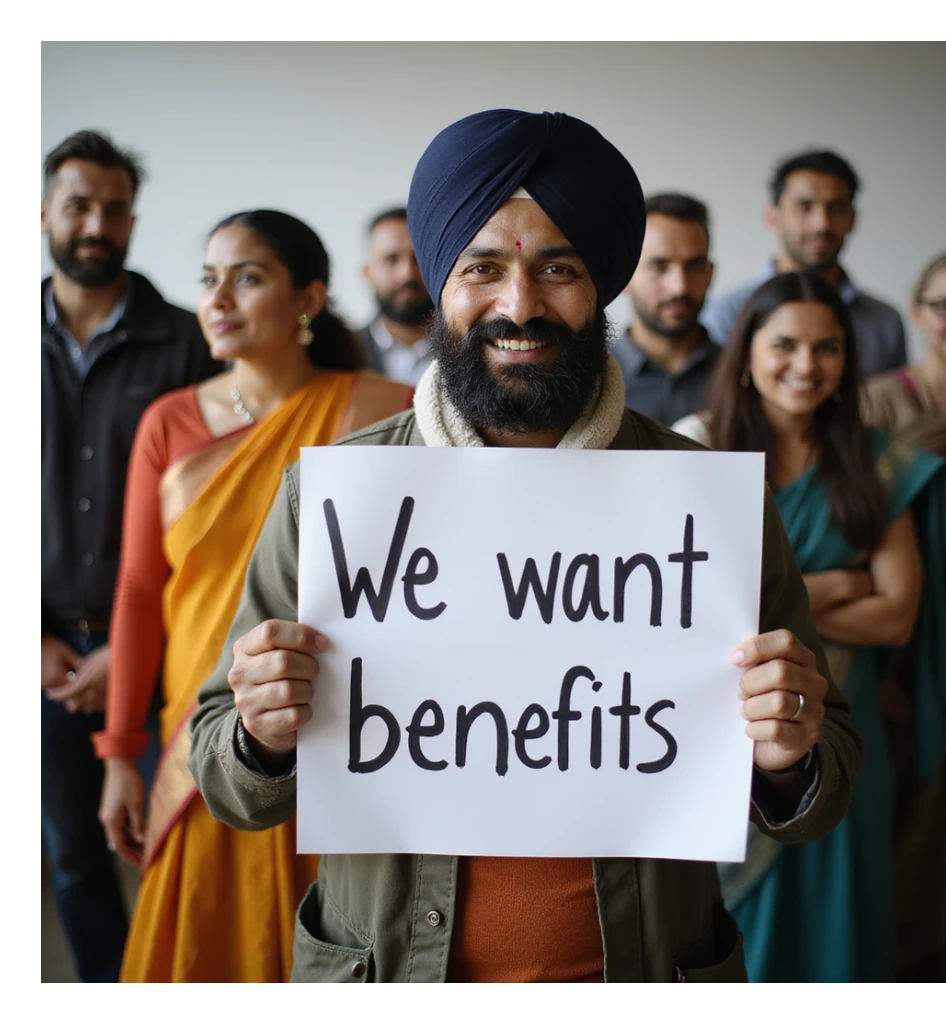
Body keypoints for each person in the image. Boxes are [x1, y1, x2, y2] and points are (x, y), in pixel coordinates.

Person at [188, 108, 864, 984]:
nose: (519, 305)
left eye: (558, 268)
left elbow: (824, 791)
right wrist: (258, 737)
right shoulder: (333, 498)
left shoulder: (707, 503)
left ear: (602, 288)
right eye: (482, 268)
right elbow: (222, 774)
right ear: (440, 282)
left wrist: (789, 755)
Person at [91, 210, 414, 982]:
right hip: (206, 733)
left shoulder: (387, 408)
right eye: (208, 280)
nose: (218, 298)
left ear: (309, 298)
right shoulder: (169, 423)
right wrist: (118, 755)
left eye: (247, 277)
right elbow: (139, 592)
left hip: (344, 723)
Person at [673, 271, 946, 982]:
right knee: (735, 939)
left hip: (838, 732)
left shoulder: (872, 456)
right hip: (735, 733)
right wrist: (840, 583)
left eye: (828, 348)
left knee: (838, 941)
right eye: (786, 345)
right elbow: (691, 611)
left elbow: (896, 615)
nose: (807, 366)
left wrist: (774, 598)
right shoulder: (697, 447)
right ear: (744, 355)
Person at [41, 128, 222, 983]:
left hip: (156, 654)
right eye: (79, 206)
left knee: (171, 846)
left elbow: (217, 519)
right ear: (45, 213)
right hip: (38, 659)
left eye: (115, 210)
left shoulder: (189, 343)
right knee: (73, 856)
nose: (96, 225)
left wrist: (124, 648)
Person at [862, 250, 946, 982]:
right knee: (894, 815)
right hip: (890, 646)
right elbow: (853, 531)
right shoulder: (878, 406)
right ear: (917, 312)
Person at [700, 149, 907, 378]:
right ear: (773, 217)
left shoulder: (884, 322)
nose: (822, 224)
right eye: (805, 207)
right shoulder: (727, 313)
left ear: (852, 219)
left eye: (836, 209)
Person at [612, 193, 720, 425]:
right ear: (624, 277)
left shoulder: (744, 373)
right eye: (659, 267)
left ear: (710, 274)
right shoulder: (589, 379)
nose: (679, 287)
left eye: (694, 266)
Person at [355, 206, 434, 385]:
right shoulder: (341, 354)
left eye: (419, 259)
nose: (407, 274)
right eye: (391, 259)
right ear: (368, 274)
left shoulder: (471, 350)